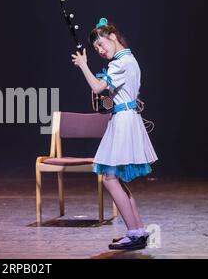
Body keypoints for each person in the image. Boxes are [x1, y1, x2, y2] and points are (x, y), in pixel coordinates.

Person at [71, 18, 158, 250]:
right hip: (123, 118)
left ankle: (134, 232)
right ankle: (138, 231)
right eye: (96, 48)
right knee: (113, 177)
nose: (100, 50)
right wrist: (105, 101)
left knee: (109, 178)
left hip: (124, 123)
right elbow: (111, 99)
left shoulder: (120, 63)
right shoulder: (128, 60)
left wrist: (83, 65)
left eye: (101, 44)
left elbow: (98, 87)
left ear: (112, 37)